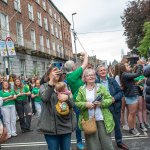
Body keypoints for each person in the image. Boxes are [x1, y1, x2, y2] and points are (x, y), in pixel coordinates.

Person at [37, 67, 76, 150]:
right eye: (54, 72)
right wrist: (51, 82)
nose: (56, 74)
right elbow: (45, 98)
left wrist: (67, 99)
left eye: (58, 72)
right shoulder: (43, 86)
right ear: (48, 75)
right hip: (50, 127)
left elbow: (73, 104)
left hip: (65, 125)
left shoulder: (65, 86)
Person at [76, 68, 114, 150]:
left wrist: (102, 103)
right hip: (89, 120)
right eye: (88, 75)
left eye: (92, 75)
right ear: (85, 78)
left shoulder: (101, 87)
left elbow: (110, 99)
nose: (91, 76)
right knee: (93, 145)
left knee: (106, 143)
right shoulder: (81, 89)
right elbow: (77, 102)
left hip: (102, 119)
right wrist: (86, 104)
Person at [96, 65, 129, 150]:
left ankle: (119, 141)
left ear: (106, 71)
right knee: (103, 127)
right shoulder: (95, 82)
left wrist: (114, 98)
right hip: (101, 107)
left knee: (116, 125)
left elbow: (120, 93)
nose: (103, 71)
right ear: (98, 73)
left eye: (104, 70)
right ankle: (105, 143)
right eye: (101, 70)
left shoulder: (112, 80)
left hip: (113, 106)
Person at [64, 52, 88, 150]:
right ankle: (79, 142)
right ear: (73, 68)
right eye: (75, 65)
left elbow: (83, 75)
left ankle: (88, 140)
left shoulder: (73, 75)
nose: (75, 66)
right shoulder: (73, 75)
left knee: (87, 121)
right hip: (78, 102)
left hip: (82, 100)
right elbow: (85, 65)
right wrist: (86, 55)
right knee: (80, 123)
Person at [119, 61, 143, 136]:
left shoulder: (126, 74)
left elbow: (134, 76)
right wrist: (140, 65)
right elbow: (137, 74)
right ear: (123, 68)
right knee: (131, 113)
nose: (129, 66)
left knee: (132, 113)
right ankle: (131, 129)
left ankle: (133, 128)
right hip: (131, 96)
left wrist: (136, 67)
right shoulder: (124, 74)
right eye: (127, 65)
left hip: (133, 95)